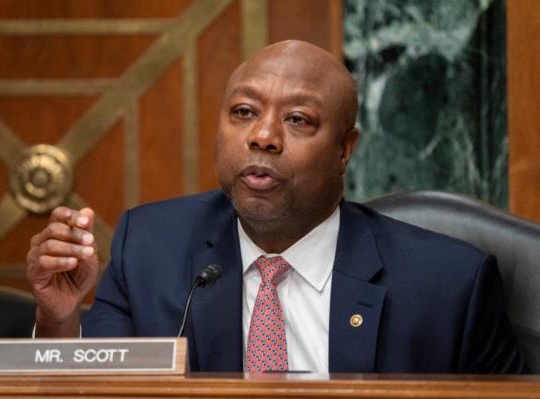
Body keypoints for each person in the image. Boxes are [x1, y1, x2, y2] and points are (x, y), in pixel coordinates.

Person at [26, 40, 526, 373]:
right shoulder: (150, 249)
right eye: (243, 112)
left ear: (345, 148)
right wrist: (59, 317)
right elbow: (89, 384)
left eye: (298, 120)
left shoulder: (449, 284)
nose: (262, 136)